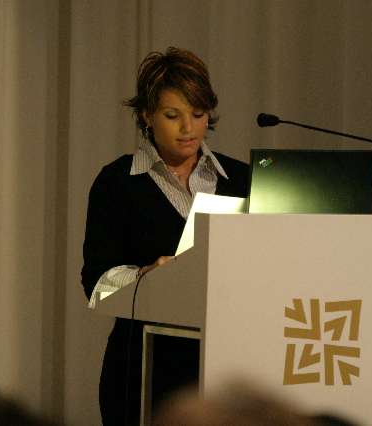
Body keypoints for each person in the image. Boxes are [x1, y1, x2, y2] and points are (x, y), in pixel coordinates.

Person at [80, 47, 249, 425]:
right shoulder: (117, 182)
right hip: (144, 368)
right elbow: (96, 283)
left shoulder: (242, 179)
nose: (188, 128)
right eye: (173, 116)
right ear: (147, 115)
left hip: (227, 369)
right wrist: (148, 276)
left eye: (198, 114)